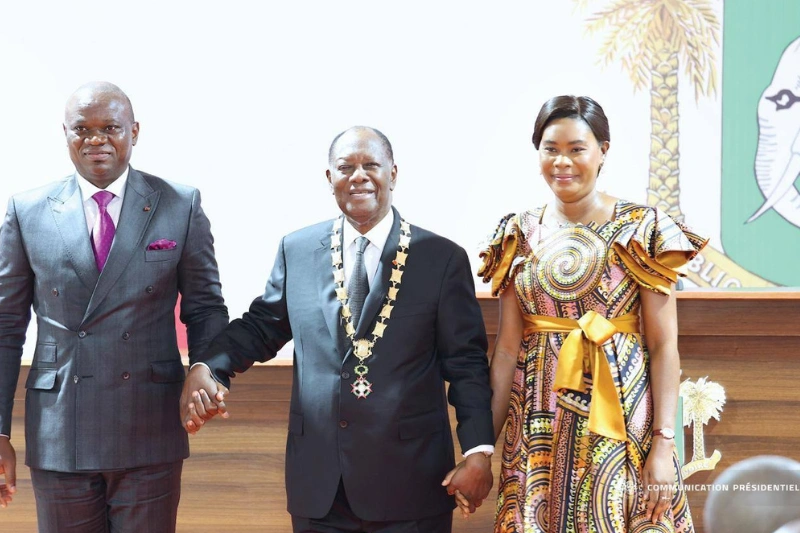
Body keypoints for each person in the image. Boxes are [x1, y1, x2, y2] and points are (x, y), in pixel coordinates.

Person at [180, 126, 494, 532]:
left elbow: (466, 363)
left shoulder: (441, 259)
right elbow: (262, 328)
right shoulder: (298, 250)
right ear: (330, 179)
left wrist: (478, 451)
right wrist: (209, 365)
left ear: (393, 174)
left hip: (411, 483)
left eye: (371, 165)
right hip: (320, 486)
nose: (358, 176)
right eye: (346, 167)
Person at [0, 82, 228, 532]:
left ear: (135, 132)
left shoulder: (179, 204)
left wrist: (206, 365)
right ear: (64, 134)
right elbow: (6, 327)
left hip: (149, 424)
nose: (95, 139)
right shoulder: (27, 211)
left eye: (110, 128)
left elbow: (205, 307)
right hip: (61, 425)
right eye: (81, 129)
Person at [478, 95, 706, 532]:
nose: (562, 161)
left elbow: (662, 346)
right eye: (551, 149)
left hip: (621, 411)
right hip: (538, 414)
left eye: (576, 149)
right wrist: (483, 449)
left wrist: (663, 443)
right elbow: (506, 351)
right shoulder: (516, 232)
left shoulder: (643, 227)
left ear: (603, 150)